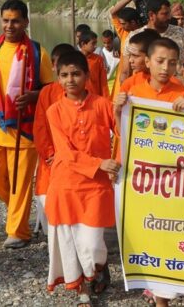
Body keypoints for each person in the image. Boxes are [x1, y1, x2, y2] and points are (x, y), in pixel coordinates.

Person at [114, 38, 184, 307]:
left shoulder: (181, 90)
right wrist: (118, 108)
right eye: (160, 61)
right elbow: (120, 131)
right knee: (142, 229)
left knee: (165, 230)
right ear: (147, 62)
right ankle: (148, 282)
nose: (165, 68)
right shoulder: (131, 88)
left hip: (169, 176)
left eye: (172, 62)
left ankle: (162, 297)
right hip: (138, 173)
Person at [45, 51, 120, 304]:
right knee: (69, 243)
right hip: (65, 185)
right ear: (58, 78)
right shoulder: (54, 111)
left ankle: (98, 267)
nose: (70, 80)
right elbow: (65, 153)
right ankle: (82, 291)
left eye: (76, 74)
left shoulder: (103, 104)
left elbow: (123, 131)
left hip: (96, 186)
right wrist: (100, 163)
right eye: (64, 75)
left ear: (87, 76)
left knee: (92, 244)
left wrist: (117, 161)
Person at [0, 0, 54, 248]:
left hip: (24, 129)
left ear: (26, 22)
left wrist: (34, 96)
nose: (9, 26)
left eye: (15, 21)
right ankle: (17, 211)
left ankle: (18, 231)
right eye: (5, 20)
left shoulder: (37, 52)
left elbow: (52, 89)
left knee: (20, 183)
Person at [33, 43, 75, 234]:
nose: (68, 79)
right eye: (62, 71)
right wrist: (50, 154)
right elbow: (40, 127)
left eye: (73, 72)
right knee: (52, 215)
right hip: (51, 162)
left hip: (75, 163)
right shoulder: (47, 92)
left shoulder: (88, 96)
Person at [124, 0, 184, 69]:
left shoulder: (180, 32)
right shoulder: (134, 37)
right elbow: (126, 71)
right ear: (151, 15)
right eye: (165, 14)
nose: (169, 17)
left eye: (169, 13)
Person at [78, 30, 109, 97]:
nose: (95, 46)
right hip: (78, 98)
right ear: (83, 44)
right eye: (93, 43)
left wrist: (106, 99)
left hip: (95, 98)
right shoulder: (74, 59)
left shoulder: (98, 60)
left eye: (96, 43)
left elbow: (103, 83)